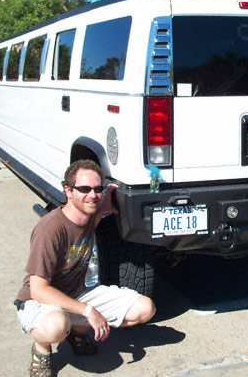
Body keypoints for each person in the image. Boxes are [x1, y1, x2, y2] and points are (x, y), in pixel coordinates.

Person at [14, 159, 156, 377]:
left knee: (145, 309)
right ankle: (42, 349)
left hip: (77, 293)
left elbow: (97, 213)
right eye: (84, 189)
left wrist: (107, 200)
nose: (92, 195)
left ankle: (76, 333)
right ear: (68, 191)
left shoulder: (89, 215)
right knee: (56, 326)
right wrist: (88, 311)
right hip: (39, 302)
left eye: (97, 189)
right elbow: (38, 289)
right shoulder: (50, 230)